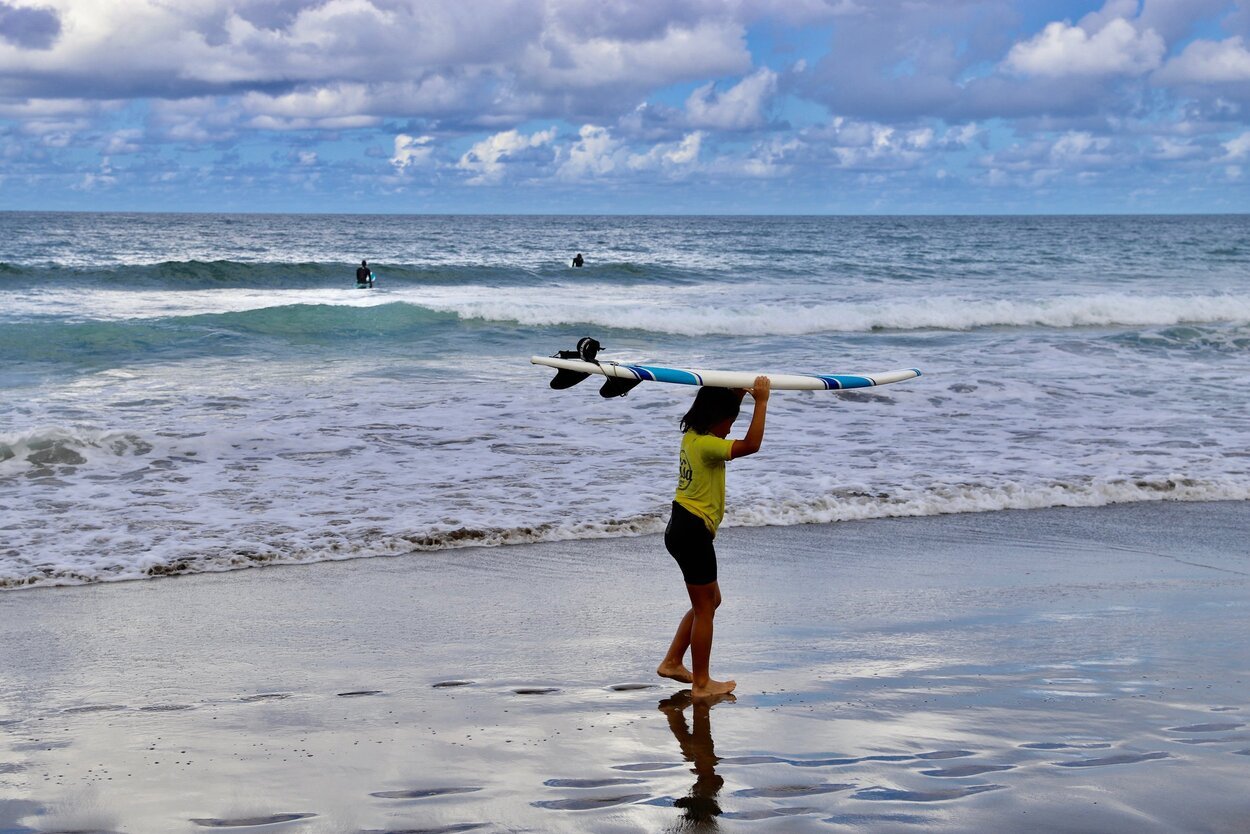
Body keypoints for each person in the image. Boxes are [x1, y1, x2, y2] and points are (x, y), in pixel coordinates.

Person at [656, 376, 770, 699]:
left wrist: (739, 392)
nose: (730, 429)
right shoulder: (708, 446)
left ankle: (673, 661)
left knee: (709, 601)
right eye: (729, 423)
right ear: (715, 419)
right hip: (692, 533)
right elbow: (752, 445)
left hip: (681, 527)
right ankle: (702, 683)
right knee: (705, 608)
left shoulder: (693, 437)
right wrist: (761, 403)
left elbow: (718, 406)